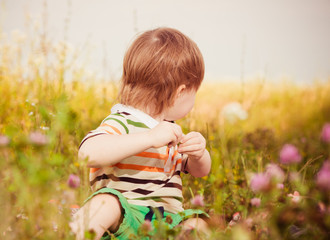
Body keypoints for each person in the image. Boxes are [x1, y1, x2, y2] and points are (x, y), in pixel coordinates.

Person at [70, 27, 211, 240]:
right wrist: (149, 138)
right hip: (126, 220)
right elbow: (87, 154)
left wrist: (199, 154)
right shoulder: (123, 122)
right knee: (106, 203)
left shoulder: (170, 130)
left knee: (198, 223)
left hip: (168, 223)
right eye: (194, 93)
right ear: (180, 92)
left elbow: (201, 171)